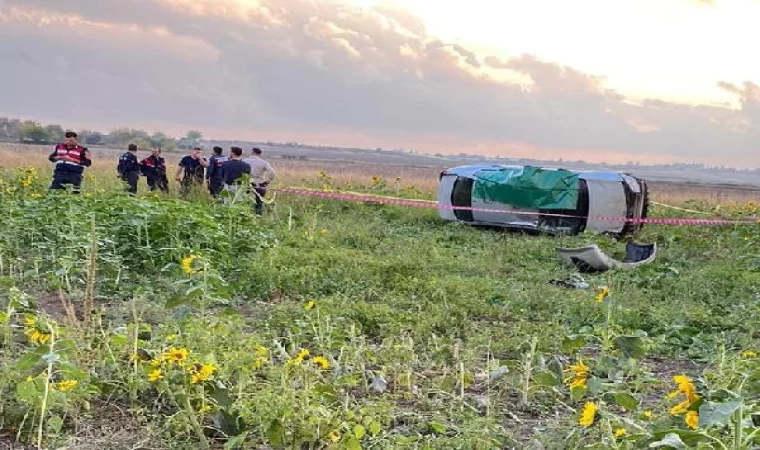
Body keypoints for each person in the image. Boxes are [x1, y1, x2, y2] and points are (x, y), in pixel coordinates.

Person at [243, 147, 276, 215]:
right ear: (260, 154)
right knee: (259, 203)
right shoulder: (264, 163)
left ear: (252, 152)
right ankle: (258, 216)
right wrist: (268, 181)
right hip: (259, 185)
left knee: (244, 202)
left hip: (246, 184)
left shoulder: (244, 161)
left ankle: (245, 216)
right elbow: (273, 173)